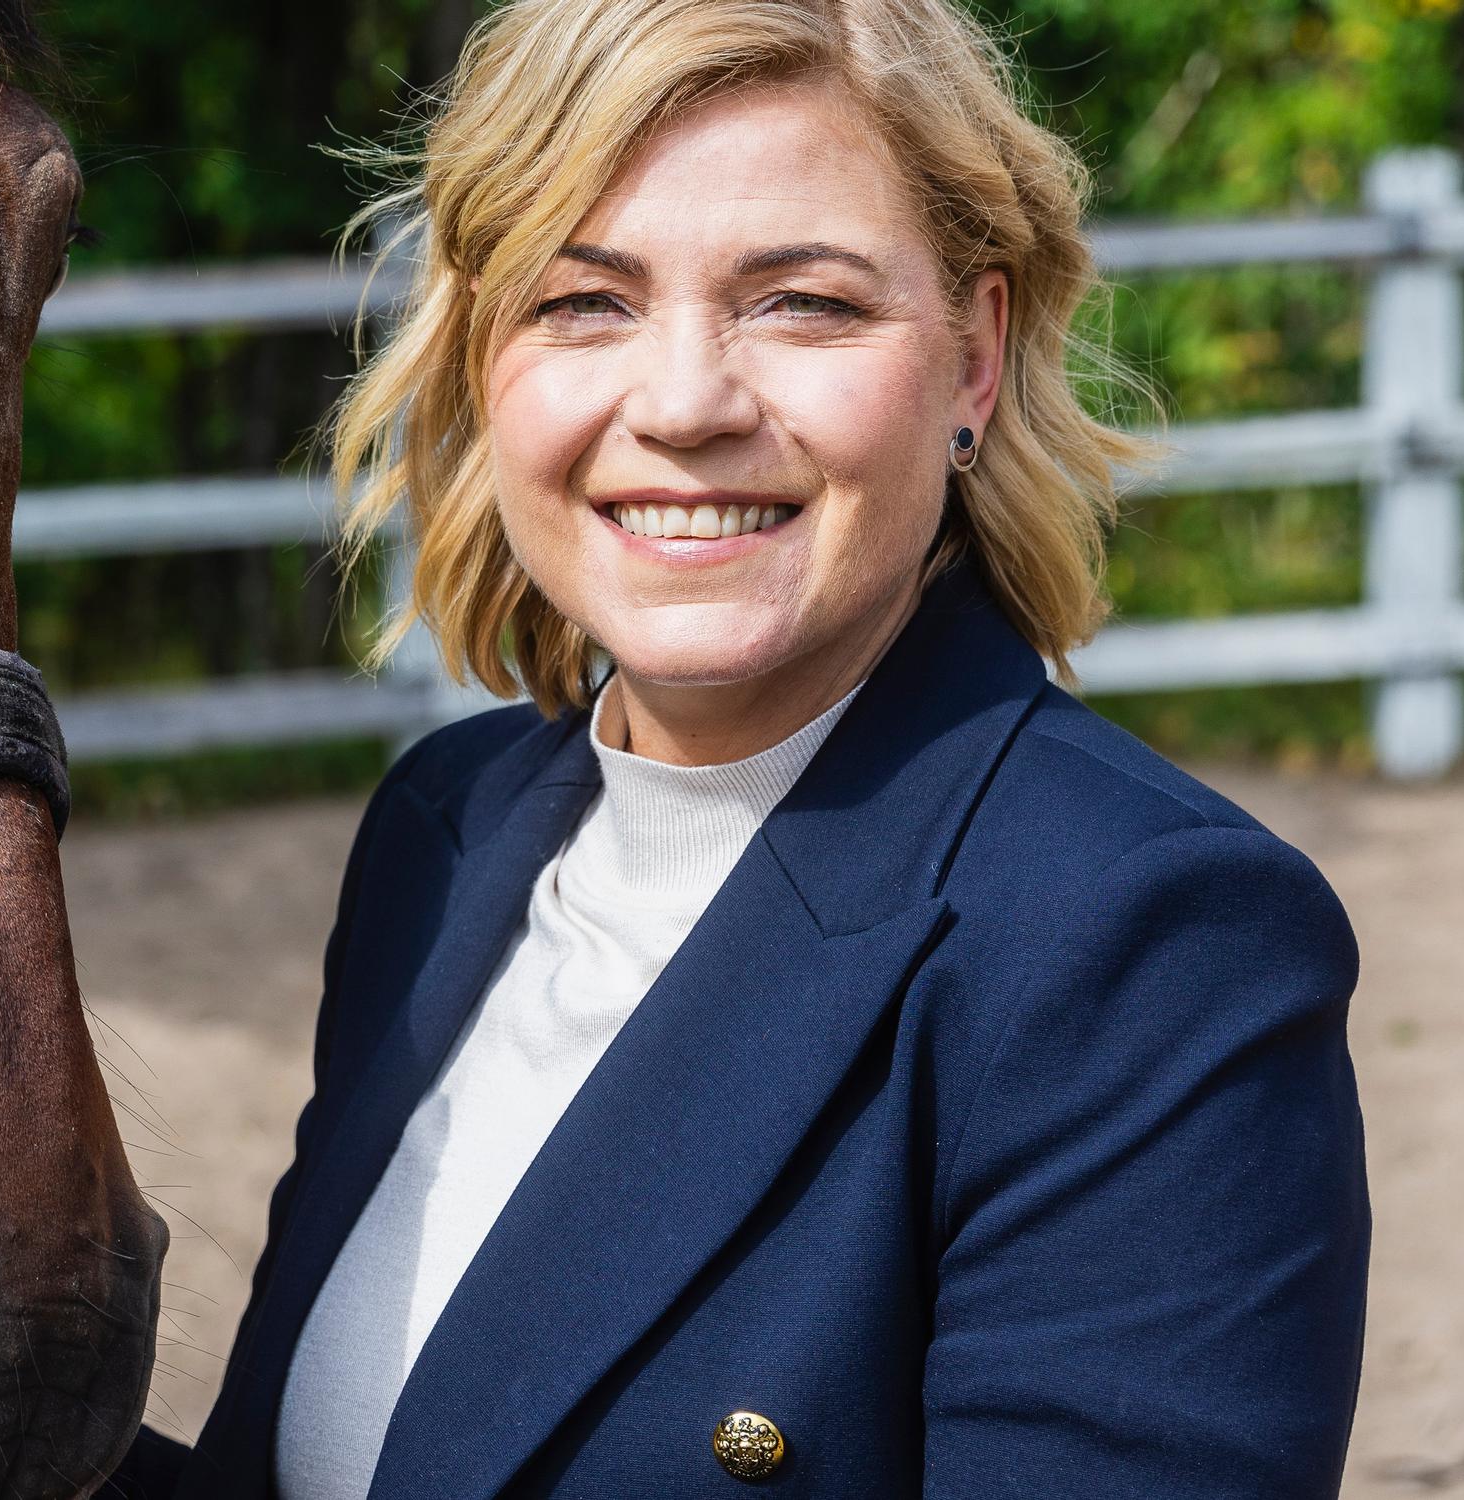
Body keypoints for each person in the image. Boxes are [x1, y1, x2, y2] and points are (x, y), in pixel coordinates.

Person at [102, 0, 1370, 1494]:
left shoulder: (1146, 945)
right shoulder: (442, 837)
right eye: (583, 302)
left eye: (802, 304)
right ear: (480, 363)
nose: (686, 403)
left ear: (972, 361)